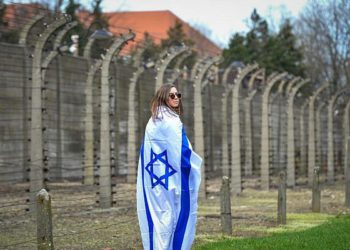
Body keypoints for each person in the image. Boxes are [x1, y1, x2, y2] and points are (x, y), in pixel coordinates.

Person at [137, 84, 202, 250]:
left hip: (154, 180)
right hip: (172, 179)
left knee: (159, 215)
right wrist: (193, 164)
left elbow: (147, 151)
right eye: (171, 95)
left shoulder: (152, 121)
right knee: (175, 215)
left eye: (177, 95)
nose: (176, 98)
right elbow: (181, 151)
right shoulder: (172, 122)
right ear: (163, 97)